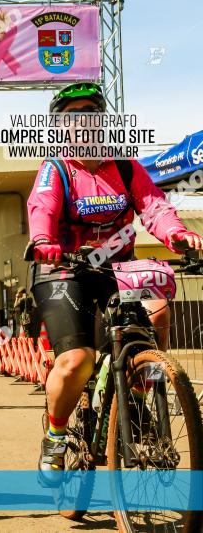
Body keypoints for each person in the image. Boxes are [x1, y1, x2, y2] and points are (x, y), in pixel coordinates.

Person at [27, 81, 203, 485]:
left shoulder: (125, 167)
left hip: (114, 273)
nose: (84, 121)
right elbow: (42, 209)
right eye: (73, 116)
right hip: (62, 271)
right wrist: (43, 241)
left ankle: (138, 396)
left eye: (92, 113)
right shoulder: (56, 170)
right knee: (77, 360)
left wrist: (176, 233)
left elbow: (155, 207)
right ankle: (55, 437)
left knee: (157, 315)